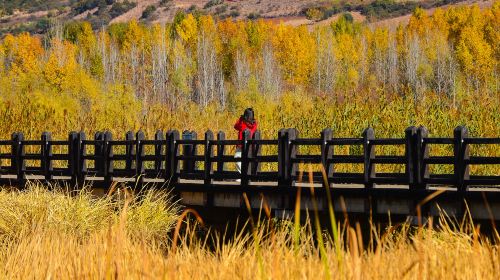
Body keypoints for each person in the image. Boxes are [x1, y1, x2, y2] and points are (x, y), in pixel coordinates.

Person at [234, 108, 258, 175]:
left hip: (241, 145)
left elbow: (236, 126)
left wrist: (240, 119)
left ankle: (241, 175)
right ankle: (245, 175)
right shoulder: (254, 124)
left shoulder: (242, 123)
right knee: (246, 161)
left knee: (237, 158)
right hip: (249, 146)